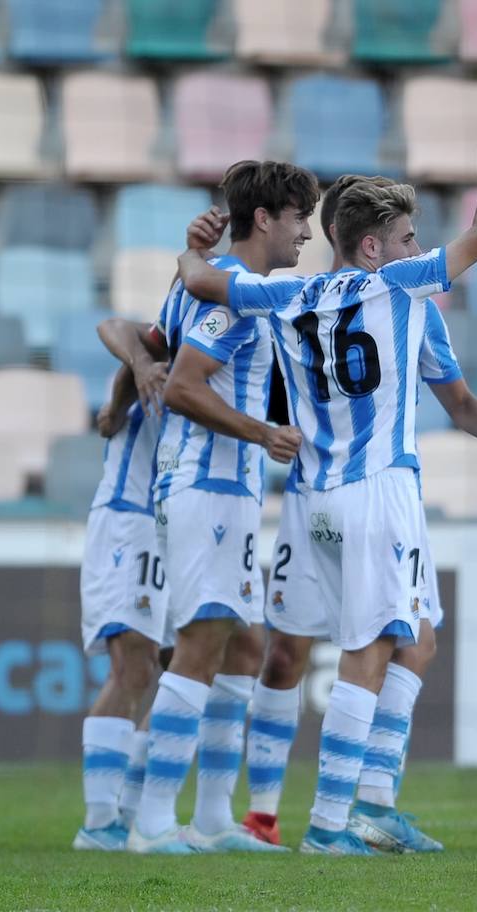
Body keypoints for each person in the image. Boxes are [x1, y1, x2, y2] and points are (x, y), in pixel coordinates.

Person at [177, 123, 477, 855]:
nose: (414, 249)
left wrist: (192, 247)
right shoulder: (395, 287)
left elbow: (202, 280)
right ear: (372, 246)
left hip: (309, 493)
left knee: (398, 637)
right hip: (376, 489)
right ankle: (335, 824)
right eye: (405, 237)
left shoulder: (286, 293)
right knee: (375, 645)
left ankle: (340, 808)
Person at [126, 160, 318, 855]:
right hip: (204, 486)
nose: (306, 232)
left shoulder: (206, 282)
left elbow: (151, 339)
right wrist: (262, 432)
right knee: (206, 637)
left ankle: (210, 819)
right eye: (299, 218)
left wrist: (190, 255)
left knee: (242, 642)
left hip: (223, 490)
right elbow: (181, 385)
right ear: (265, 219)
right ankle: (149, 820)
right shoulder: (233, 294)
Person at [72, 361, 167, 852]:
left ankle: (128, 810)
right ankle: (99, 821)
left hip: (173, 522)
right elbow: (119, 335)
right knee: (132, 666)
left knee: (171, 671)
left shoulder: (224, 344)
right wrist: (117, 399)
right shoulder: (161, 340)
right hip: (128, 519)